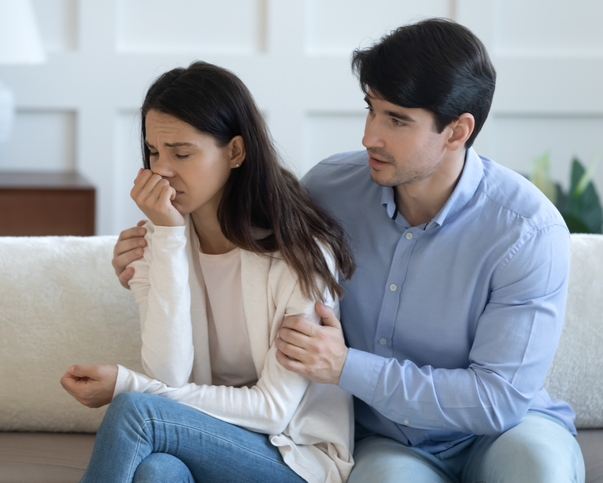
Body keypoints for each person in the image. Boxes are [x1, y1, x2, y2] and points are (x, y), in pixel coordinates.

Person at [113, 19, 586, 483]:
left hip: (507, 432)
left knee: (538, 471)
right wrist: (155, 258)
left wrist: (344, 366)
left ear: (458, 132)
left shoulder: (527, 232)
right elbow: (238, 234)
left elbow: (496, 400)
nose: (369, 136)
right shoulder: (328, 189)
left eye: (396, 120)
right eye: (371, 109)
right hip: (387, 441)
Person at [60, 61, 357, 483]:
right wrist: (166, 239)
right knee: (155, 471)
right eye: (153, 152)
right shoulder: (157, 243)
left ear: (235, 151)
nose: (161, 169)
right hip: (203, 439)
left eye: (182, 153)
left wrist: (130, 384)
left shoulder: (300, 254)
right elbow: (169, 373)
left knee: (133, 410)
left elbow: (274, 411)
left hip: (295, 457)